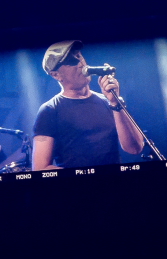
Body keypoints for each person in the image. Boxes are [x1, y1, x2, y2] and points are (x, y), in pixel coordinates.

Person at [32, 40, 144, 170]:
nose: (80, 63)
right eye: (71, 61)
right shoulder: (50, 110)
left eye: (79, 56)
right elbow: (40, 168)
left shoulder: (109, 102)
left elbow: (135, 148)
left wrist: (115, 103)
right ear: (56, 74)